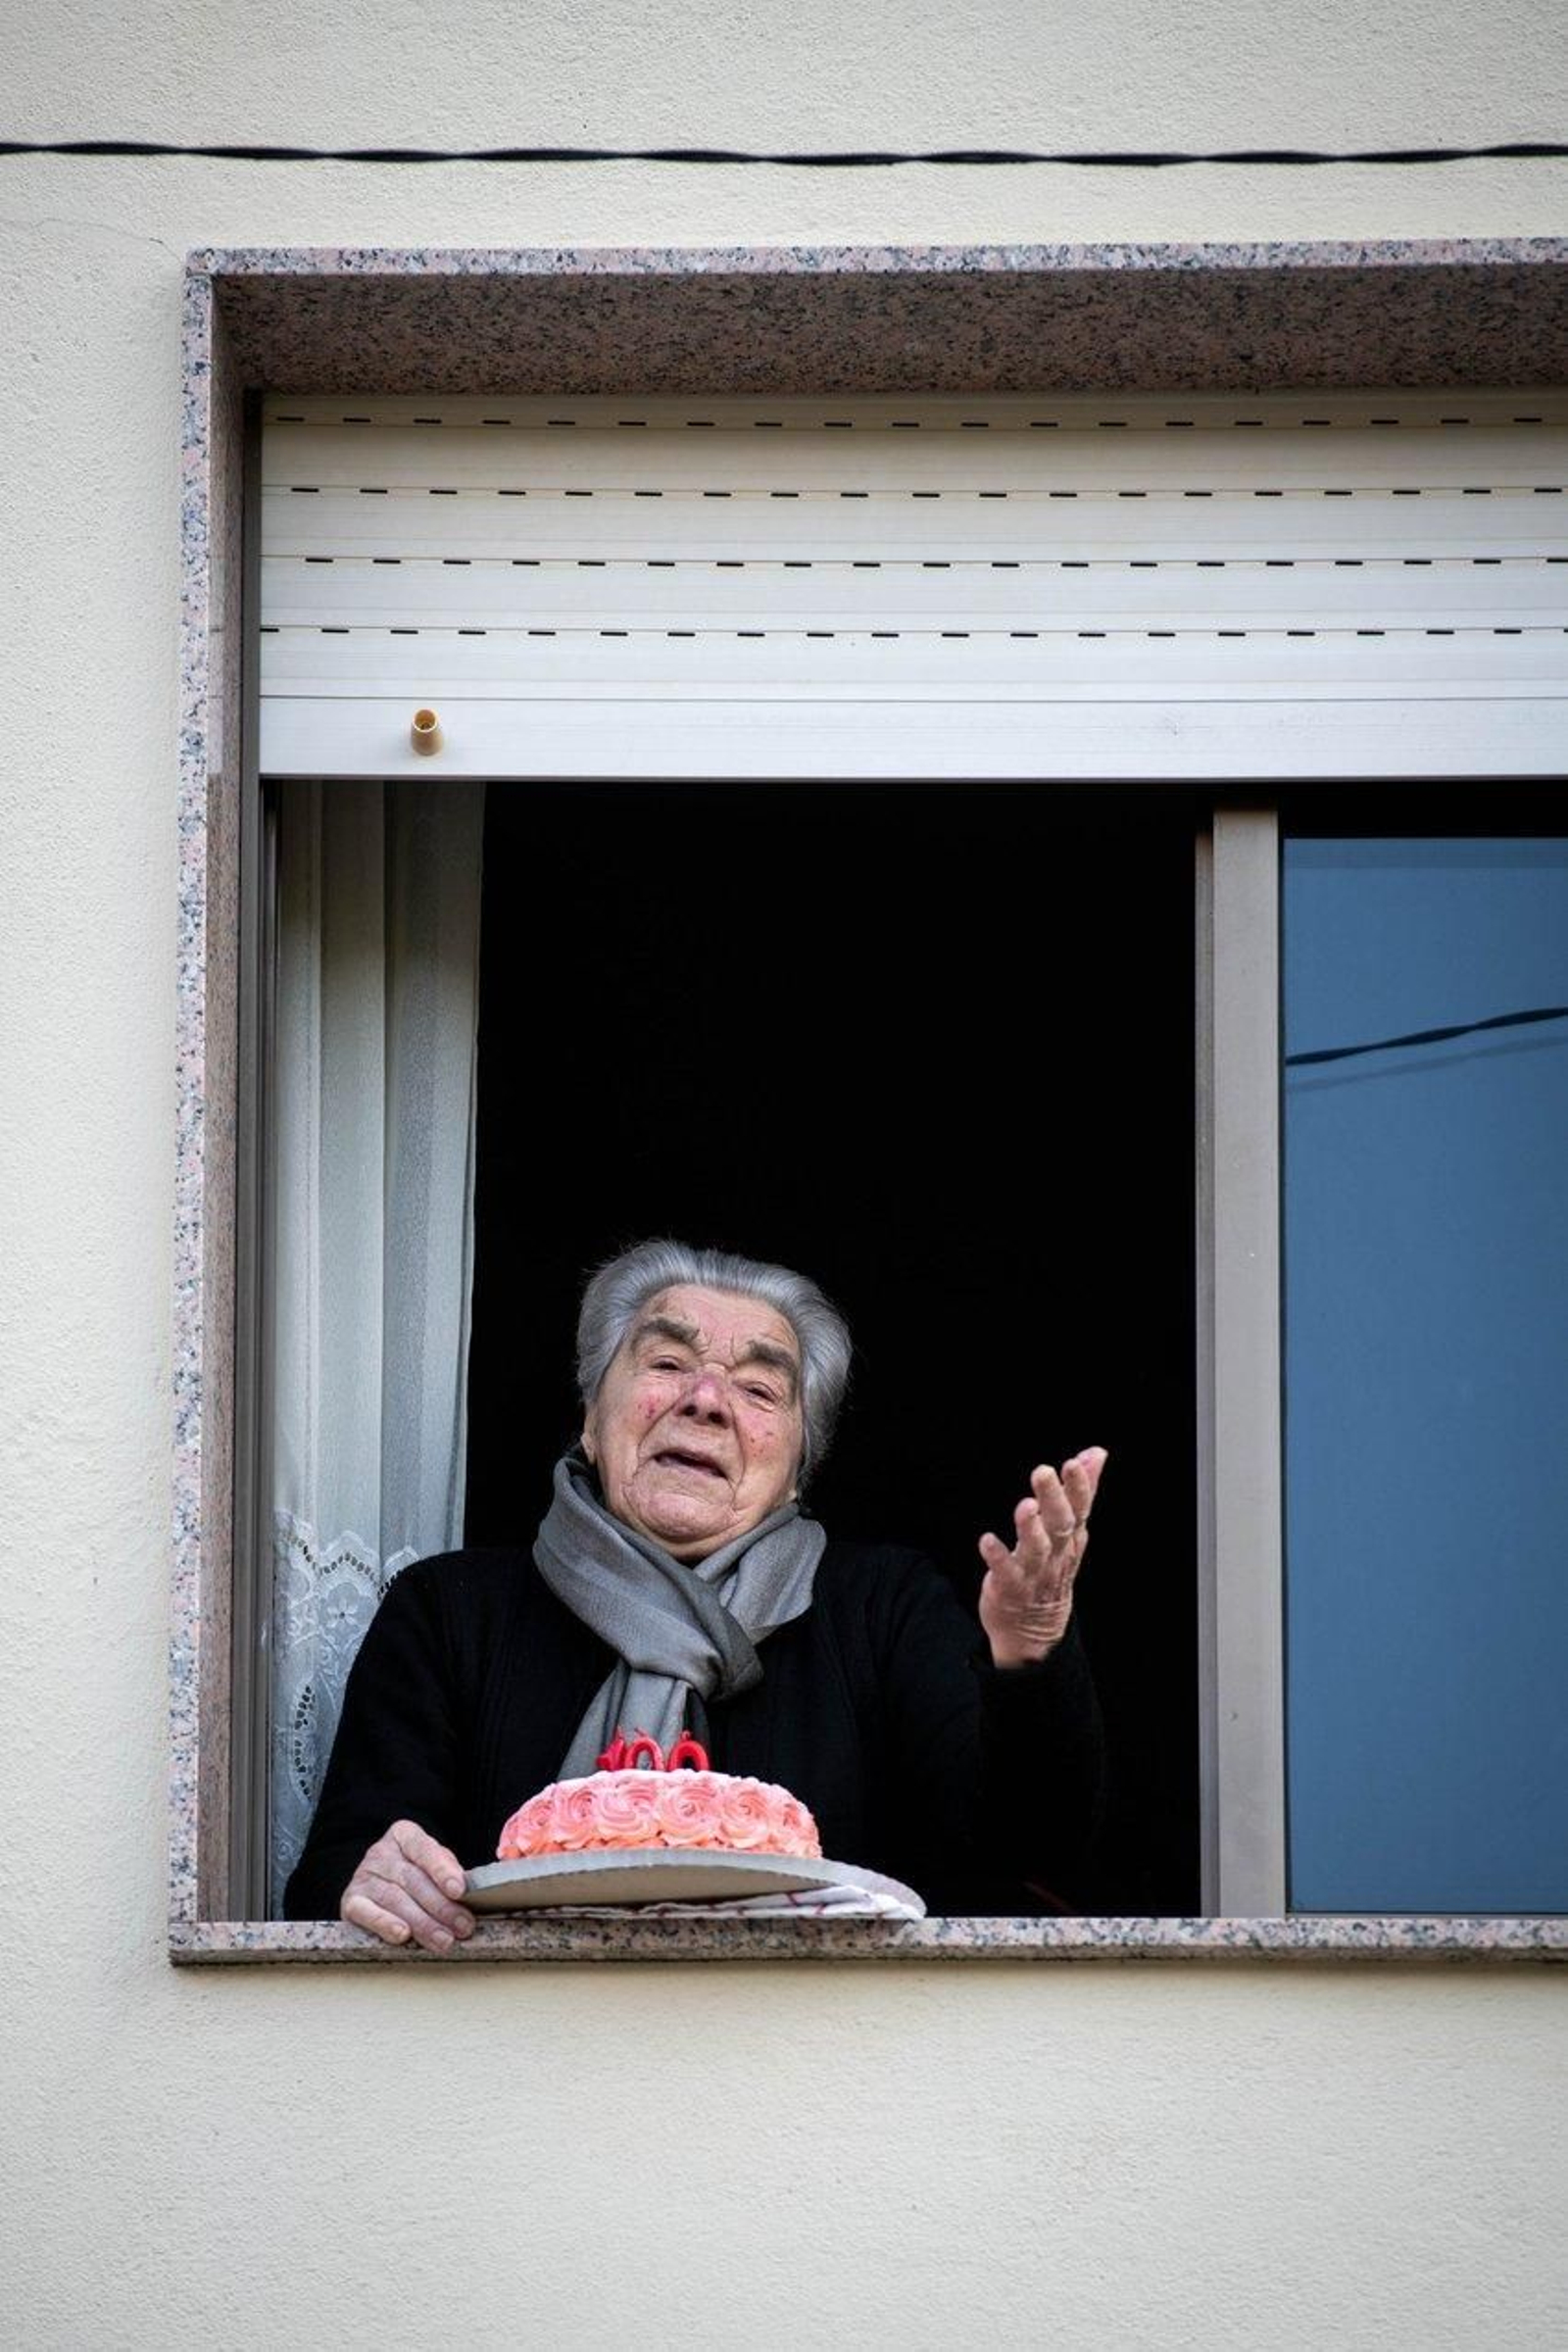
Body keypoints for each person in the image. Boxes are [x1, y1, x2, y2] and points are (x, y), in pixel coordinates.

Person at [284, 1239, 1107, 1945]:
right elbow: (334, 1884)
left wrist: (1030, 1649)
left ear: (796, 1466)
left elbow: (1026, 1859)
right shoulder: (451, 1613)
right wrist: (377, 1885)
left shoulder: (880, 1607)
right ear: (590, 1417)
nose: (706, 1400)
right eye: (668, 1362)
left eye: (758, 1390)